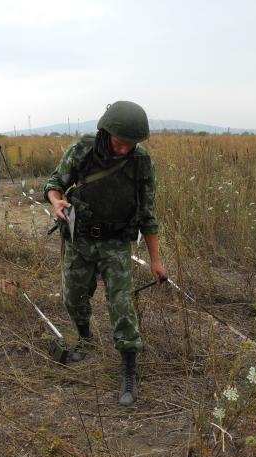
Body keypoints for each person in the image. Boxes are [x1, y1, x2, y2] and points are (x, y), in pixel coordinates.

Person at [44, 101, 166, 406]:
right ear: (105, 131)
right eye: (119, 142)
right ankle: (85, 337)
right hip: (79, 239)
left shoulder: (140, 162)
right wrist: (56, 201)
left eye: (131, 144)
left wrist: (156, 260)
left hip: (116, 244)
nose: (124, 149)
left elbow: (149, 214)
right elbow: (54, 184)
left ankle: (128, 369)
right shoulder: (82, 151)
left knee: (121, 304)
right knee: (73, 297)